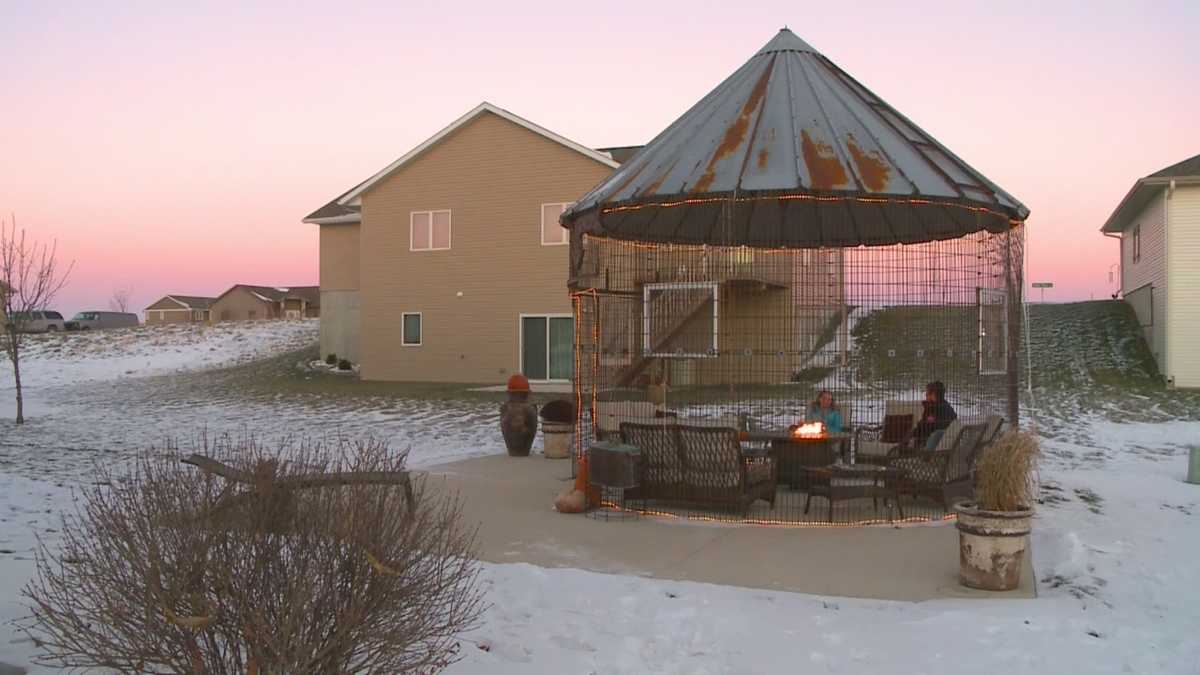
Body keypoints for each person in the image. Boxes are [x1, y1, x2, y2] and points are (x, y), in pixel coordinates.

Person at [914, 381, 956, 451]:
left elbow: (926, 426)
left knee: (913, 433)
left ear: (933, 394)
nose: (926, 396)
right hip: (940, 444)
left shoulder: (933, 409)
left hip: (928, 443)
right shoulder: (948, 407)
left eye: (927, 394)